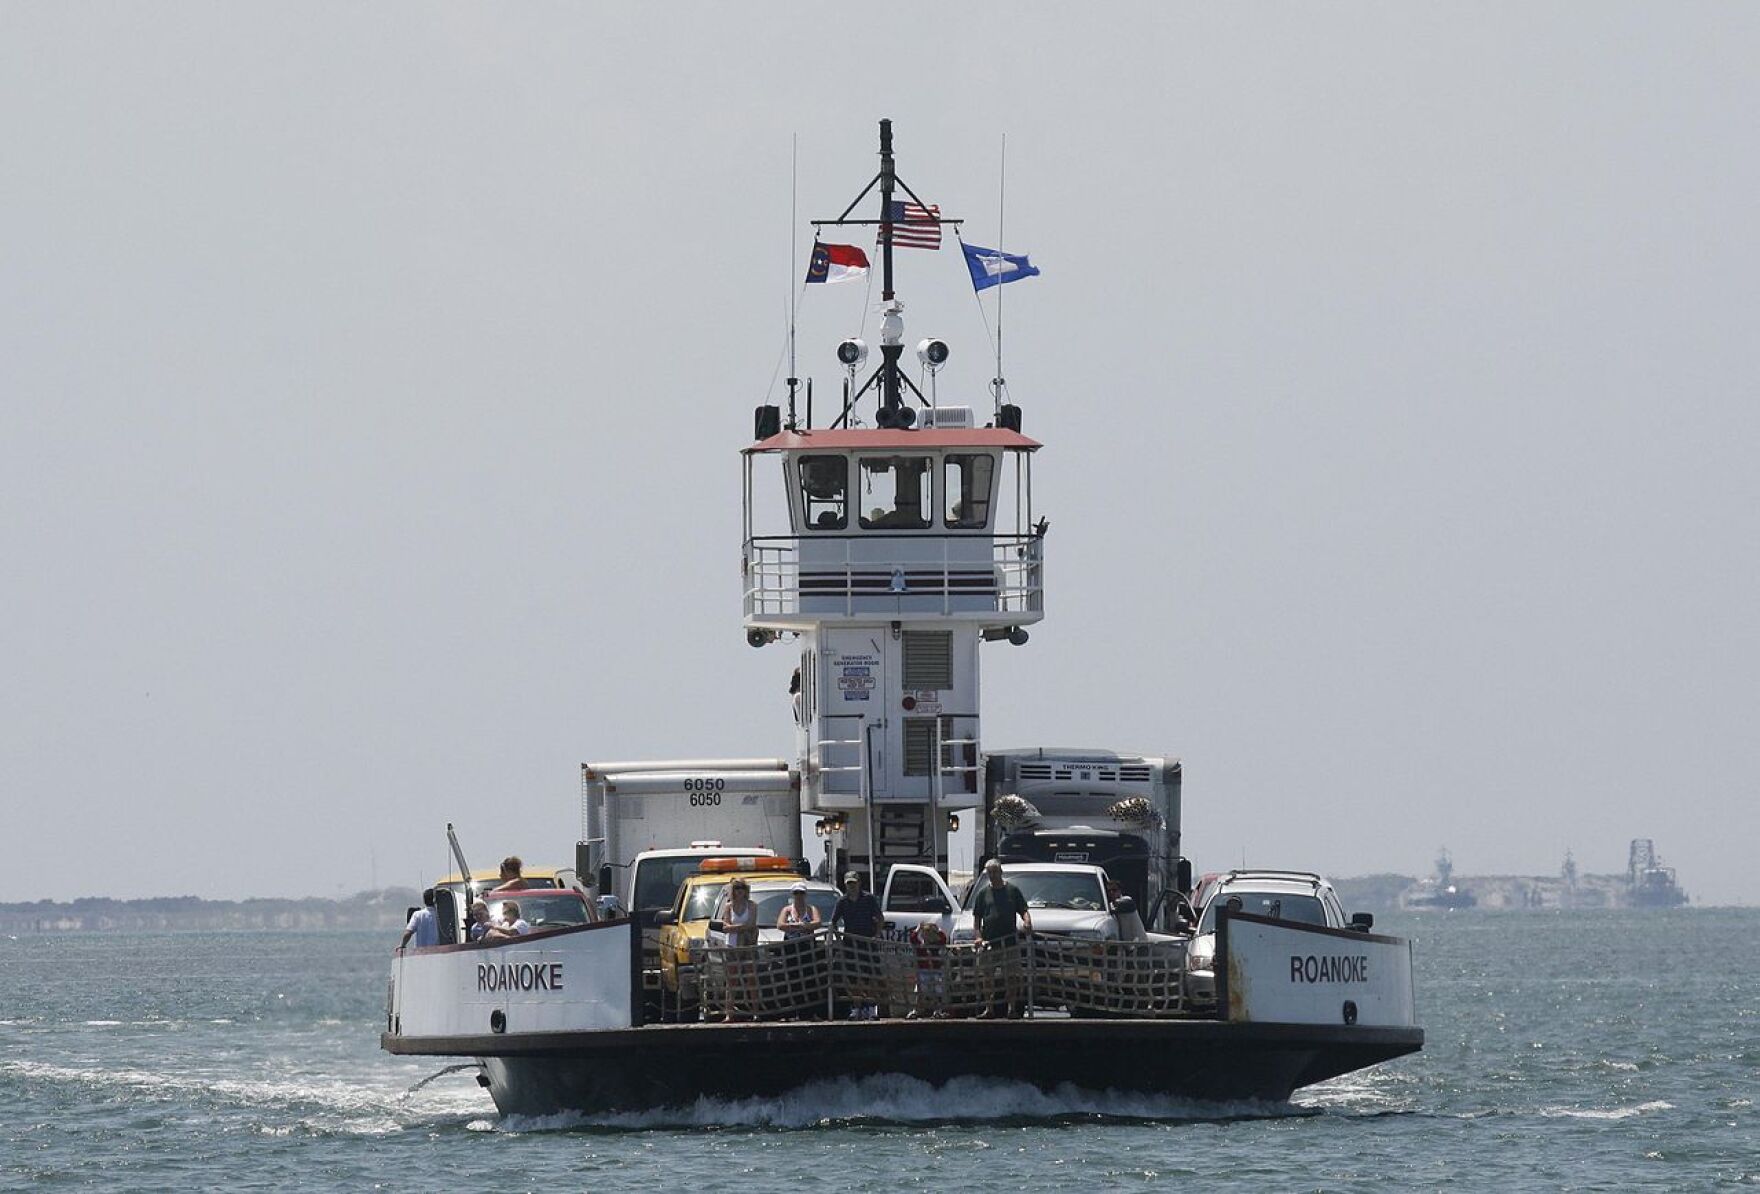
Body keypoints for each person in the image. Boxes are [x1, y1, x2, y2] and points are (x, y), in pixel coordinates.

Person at [972, 860, 1032, 1018]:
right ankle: (989, 1008)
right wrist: (978, 937)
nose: (992, 875)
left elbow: (1023, 910)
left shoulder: (1012, 890)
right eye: (989, 873)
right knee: (987, 977)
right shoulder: (982, 894)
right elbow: (977, 919)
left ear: (1001, 872)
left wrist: (1027, 921)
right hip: (989, 943)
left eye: (995, 872)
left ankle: (1011, 1008)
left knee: (1011, 976)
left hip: (1009, 942)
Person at [831, 873, 884, 1019]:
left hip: (868, 941)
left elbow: (880, 918)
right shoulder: (842, 901)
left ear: (859, 883)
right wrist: (838, 939)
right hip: (850, 943)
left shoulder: (869, 899)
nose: (852, 886)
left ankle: (871, 1008)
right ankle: (856, 1008)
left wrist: (877, 935)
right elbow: (833, 922)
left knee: (871, 976)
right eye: (849, 884)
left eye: (854, 883)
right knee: (853, 978)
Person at [720, 879, 760, 1019]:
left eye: (742, 887)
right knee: (731, 980)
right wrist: (740, 927)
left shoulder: (752, 905)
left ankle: (755, 1013)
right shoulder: (728, 906)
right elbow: (725, 927)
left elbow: (751, 924)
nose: (739, 891)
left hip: (748, 945)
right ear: (733, 890)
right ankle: (729, 1014)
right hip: (732, 946)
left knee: (751, 979)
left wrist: (734, 928)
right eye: (737, 888)